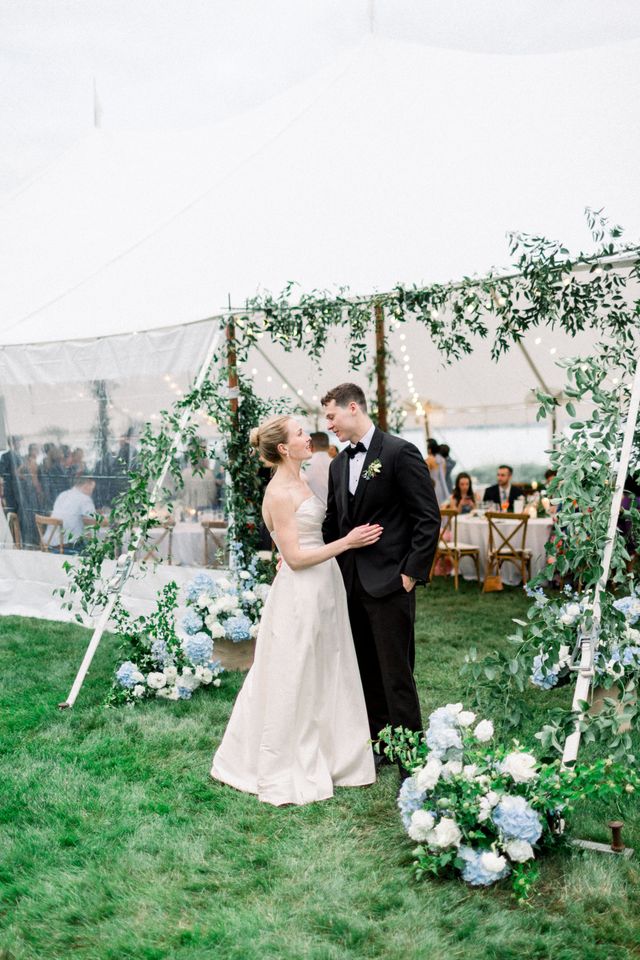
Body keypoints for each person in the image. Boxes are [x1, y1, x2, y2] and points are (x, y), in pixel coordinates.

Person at [211, 414, 381, 806]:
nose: (309, 437)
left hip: (324, 587)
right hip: (302, 592)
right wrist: (348, 543)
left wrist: (290, 552)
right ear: (284, 448)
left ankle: (336, 754)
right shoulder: (278, 493)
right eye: (301, 433)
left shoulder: (302, 480)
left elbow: (289, 544)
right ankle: (282, 759)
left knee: (327, 666)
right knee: (295, 673)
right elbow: (297, 557)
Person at [321, 383, 440, 774]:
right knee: (365, 670)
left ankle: (410, 757)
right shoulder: (338, 465)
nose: (329, 424)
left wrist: (411, 573)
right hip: (351, 584)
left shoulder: (399, 452)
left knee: (396, 673)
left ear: (353, 408)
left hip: (390, 582)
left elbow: (427, 517)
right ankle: (381, 742)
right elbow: (333, 524)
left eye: (332, 416)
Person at [50, 475, 97, 553]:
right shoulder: (84, 499)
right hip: (69, 547)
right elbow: (93, 521)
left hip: (51, 545)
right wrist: (108, 520)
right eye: (92, 489)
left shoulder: (63, 495)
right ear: (86, 486)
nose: (92, 492)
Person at [304, 431, 332, 505]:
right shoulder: (337, 463)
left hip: (314, 511)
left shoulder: (305, 466)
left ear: (311, 446)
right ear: (328, 446)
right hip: (336, 511)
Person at [426, 439, 449, 505]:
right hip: (441, 487)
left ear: (429, 449)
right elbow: (443, 476)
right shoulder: (442, 460)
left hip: (433, 486)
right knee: (442, 506)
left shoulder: (428, 460)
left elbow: (426, 475)